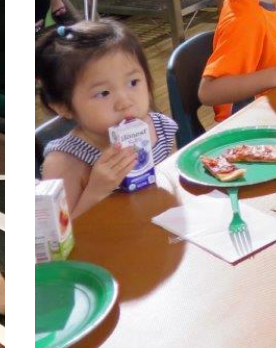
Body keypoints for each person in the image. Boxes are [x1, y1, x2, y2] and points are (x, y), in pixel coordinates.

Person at [35, 19, 178, 218]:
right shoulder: (63, 162)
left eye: (133, 82)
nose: (125, 102)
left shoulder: (160, 128)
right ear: (64, 107)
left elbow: (175, 187)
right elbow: (59, 239)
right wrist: (96, 191)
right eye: (103, 93)